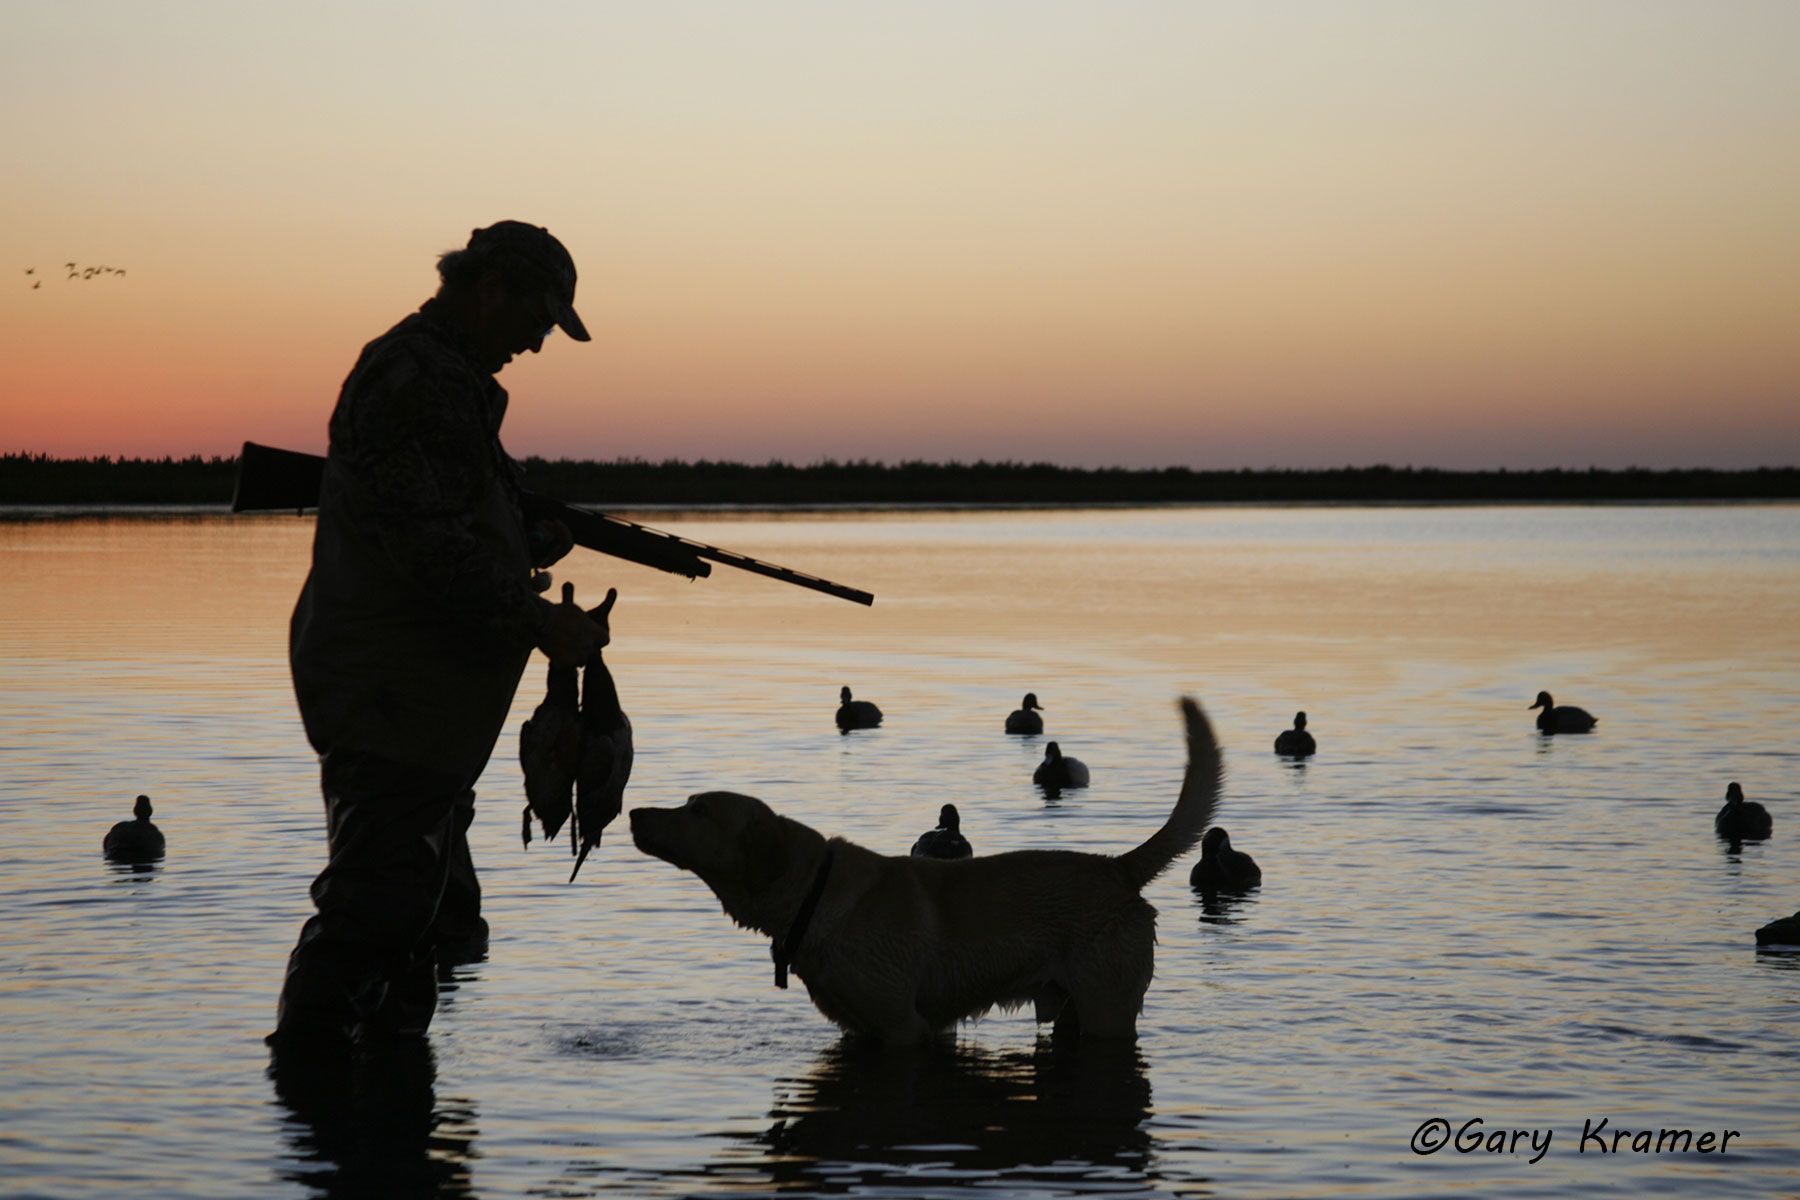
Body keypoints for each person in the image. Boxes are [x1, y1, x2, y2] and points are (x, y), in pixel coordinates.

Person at [269, 221, 609, 1057]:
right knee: (374, 907)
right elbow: (427, 548)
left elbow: (446, 521)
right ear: (490, 290)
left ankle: (388, 1105)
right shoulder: (417, 377)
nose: (538, 342)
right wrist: (541, 621)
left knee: (417, 921)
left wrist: (526, 540)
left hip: (425, 704)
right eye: (537, 318)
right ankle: (311, 1085)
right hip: (390, 693)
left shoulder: (445, 379)